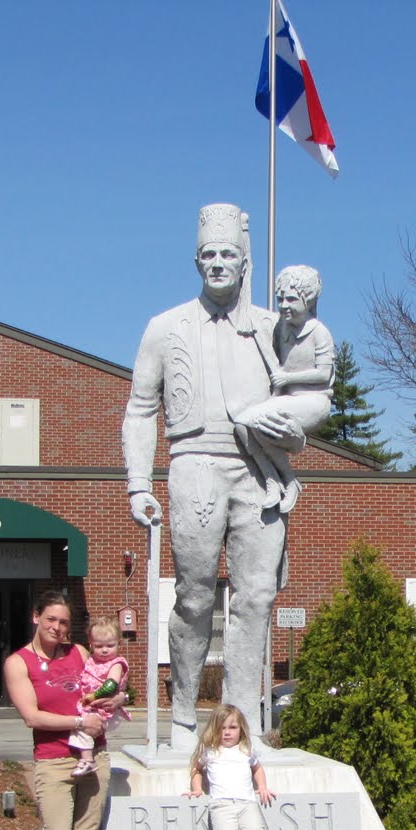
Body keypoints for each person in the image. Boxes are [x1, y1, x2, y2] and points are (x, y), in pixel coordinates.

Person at [122, 203, 330, 751]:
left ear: (245, 262)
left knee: (256, 598)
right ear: (196, 260)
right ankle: (185, 716)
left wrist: (291, 423)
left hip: (259, 471)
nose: (218, 264)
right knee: (194, 599)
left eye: (228, 255)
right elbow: (141, 409)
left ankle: (244, 723)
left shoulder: (273, 327)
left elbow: (315, 393)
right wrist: (138, 484)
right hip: (194, 466)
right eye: (209, 254)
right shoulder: (164, 328)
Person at [3, 590, 124, 830]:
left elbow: (107, 682)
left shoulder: (79, 653)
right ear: (36, 617)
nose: (57, 627)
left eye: (64, 622)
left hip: (94, 757)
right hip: (54, 761)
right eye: (51, 619)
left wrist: (118, 698)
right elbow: (32, 716)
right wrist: (78, 722)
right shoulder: (19, 662)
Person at [231, 264, 334, 514]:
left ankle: (288, 481)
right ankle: (271, 478)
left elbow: (324, 373)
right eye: (280, 299)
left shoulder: (319, 333)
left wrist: (287, 377)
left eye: (291, 299)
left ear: (307, 300)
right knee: (243, 425)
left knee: (256, 422)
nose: (284, 305)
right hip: (286, 397)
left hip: (313, 400)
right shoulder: (282, 328)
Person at [68, 616, 129, 778]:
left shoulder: (116, 664)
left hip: (105, 708)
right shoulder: (91, 661)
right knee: (81, 724)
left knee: (83, 727)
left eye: (110, 645)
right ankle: (87, 758)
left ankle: (87, 760)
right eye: (98, 646)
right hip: (94, 706)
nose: (104, 650)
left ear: (119, 644)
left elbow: (111, 685)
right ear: (91, 644)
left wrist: (94, 695)